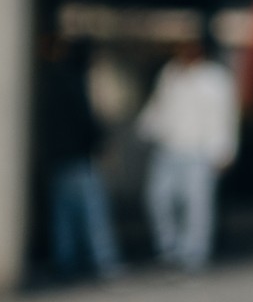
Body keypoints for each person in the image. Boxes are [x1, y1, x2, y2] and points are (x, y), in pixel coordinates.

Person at [135, 29, 237, 271]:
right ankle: (168, 249)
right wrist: (144, 130)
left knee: (197, 207)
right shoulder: (170, 73)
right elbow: (158, 106)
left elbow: (225, 116)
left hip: (199, 152)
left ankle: (193, 255)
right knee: (158, 198)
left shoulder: (215, 78)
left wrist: (225, 151)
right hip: (168, 149)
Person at [40, 35, 123, 279]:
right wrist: (98, 142)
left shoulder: (52, 79)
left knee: (63, 216)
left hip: (58, 157)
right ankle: (105, 262)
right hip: (78, 156)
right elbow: (84, 119)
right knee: (93, 214)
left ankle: (66, 263)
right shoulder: (74, 80)